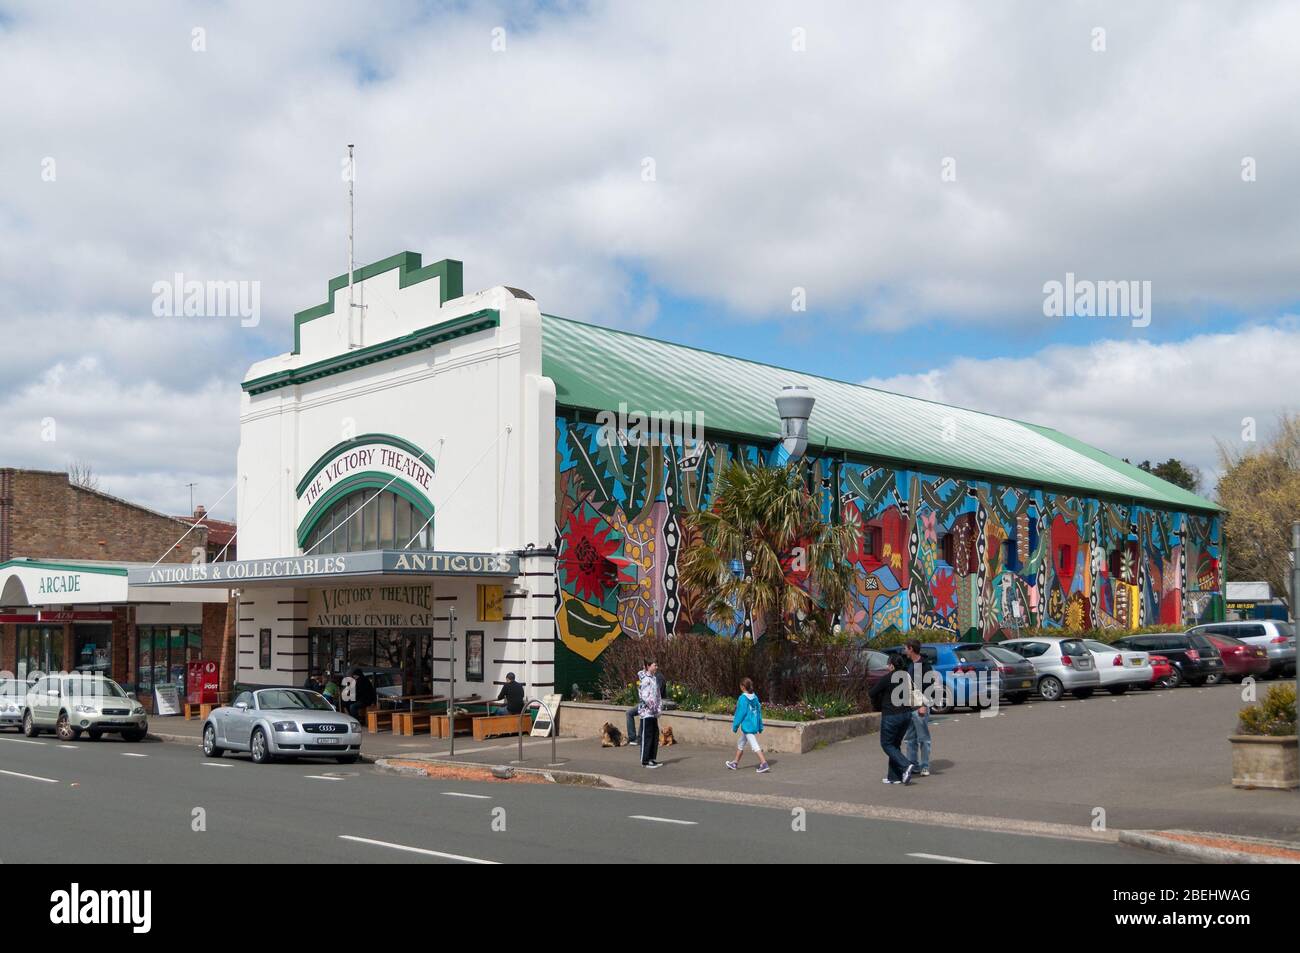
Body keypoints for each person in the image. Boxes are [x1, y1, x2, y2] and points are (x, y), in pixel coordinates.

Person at [867, 654, 917, 785]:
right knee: (895, 745)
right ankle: (894, 777)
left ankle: (905, 765)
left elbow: (872, 693)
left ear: (891, 665)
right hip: (906, 714)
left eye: (888, 664)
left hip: (891, 715)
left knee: (887, 744)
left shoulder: (887, 678)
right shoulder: (906, 677)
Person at [901, 640, 933, 777]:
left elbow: (929, 687)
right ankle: (912, 765)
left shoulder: (924, 666)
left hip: (920, 707)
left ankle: (924, 766)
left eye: (905, 648)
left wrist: (923, 706)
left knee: (923, 738)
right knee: (910, 738)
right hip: (910, 706)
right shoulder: (910, 665)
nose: (904, 651)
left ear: (911, 649)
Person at [726, 677, 770, 773]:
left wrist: (735, 726)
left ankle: (764, 763)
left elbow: (740, 713)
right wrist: (760, 725)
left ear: (742, 687)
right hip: (752, 725)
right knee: (741, 743)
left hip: (747, 726)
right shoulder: (755, 698)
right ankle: (735, 763)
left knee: (754, 745)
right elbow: (758, 712)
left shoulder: (742, 698)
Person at [626, 664, 667, 746]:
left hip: (654, 704)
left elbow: (656, 694)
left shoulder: (658, 677)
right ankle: (633, 737)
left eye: (644, 668)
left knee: (643, 714)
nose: (643, 669)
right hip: (646, 703)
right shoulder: (647, 677)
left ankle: (640, 739)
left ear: (649, 667)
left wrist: (648, 704)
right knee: (629, 713)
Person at [636, 662, 663, 768]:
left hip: (653, 713)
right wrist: (653, 707)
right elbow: (645, 696)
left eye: (657, 665)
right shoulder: (645, 680)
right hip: (646, 713)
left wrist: (658, 708)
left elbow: (658, 695)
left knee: (654, 735)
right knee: (647, 736)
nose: (656, 667)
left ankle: (651, 759)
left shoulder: (654, 678)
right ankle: (645, 761)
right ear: (648, 667)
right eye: (654, 665)